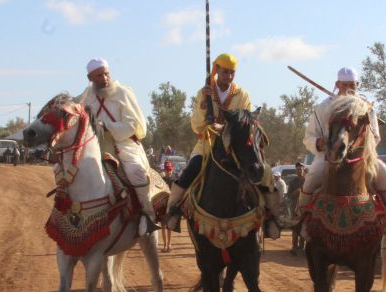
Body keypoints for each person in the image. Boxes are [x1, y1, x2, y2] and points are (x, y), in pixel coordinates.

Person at [164, 52, 281, 237]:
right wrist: (204, 104)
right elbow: (196, 125)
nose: (229, 76)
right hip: (207, 143)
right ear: (217, 71)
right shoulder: (204, 92)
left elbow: (245, 122)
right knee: (192, 168)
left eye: (232, 72)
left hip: (235, 147)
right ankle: (173, 211)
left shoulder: (242, 94)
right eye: (225, 72)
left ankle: (272, 217)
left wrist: (224, 126)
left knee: (263, 171)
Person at [295, 67, 386, 221]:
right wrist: (319, 143)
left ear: (358, 85)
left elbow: (376, 136)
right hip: (328, 156)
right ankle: (301, 217)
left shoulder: (366, 108)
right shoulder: (322, 108)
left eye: (352, 85)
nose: (348, 89)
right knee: (312, 177)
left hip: (361, 158)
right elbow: (309, 137)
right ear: (337, 84)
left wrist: (358, 146)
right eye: (344, 85)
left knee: (384, 174)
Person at [77, 58, 159, 235]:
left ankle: (147, 214)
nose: (105, 78)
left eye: (106, 73)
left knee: (136, 172)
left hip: (123, 144)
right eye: (99, 75)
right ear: (90, 78)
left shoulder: (123, 92)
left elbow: (135, 126)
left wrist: (108, 127)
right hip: (94, 146)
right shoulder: (86, 96)